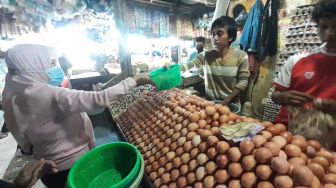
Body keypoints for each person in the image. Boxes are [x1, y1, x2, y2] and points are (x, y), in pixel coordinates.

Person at [2, 44, 155, 188]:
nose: (55, 68)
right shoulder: (48, 94)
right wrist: (134, 80)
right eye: (50, 64)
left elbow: (18, 132)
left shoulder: (11, 94)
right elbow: (99, 99)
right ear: (33, 67)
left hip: (45, 166)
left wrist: (30, 149)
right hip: (72, 166)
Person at [271, 0, 336, 149]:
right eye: (324, 27)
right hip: (291, 139)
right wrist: (283, 97)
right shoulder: (298, 60)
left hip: (330, 149)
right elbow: (275, 95)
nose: (330, 34)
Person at [190, 16, 250, 107]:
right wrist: (172, 67)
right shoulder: (205, 55)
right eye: (213, 34)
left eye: (220, 34)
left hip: (231, 105)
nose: (215, 38)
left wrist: (227, 100)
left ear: (230, 37)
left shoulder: (241, 56)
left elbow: (243, 81)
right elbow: (191, 65)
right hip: (211, 105)